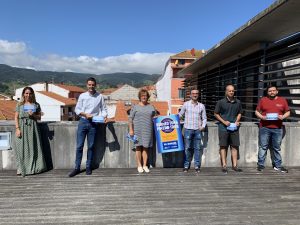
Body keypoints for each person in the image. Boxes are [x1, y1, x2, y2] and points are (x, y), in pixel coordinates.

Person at [69, 77, 107, 177]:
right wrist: (85, 114)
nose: (91, 86)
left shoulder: (100, 96)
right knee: (79, 146)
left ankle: (88, 167)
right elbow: (77, 110)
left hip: (94, 123)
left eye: (93, 84)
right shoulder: (82, 96)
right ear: (87, 85)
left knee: (91, 146)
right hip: (83, 121)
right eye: (89, 84)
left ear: (95, 85)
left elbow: (104, 109)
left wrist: (102, 117)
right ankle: (77, 168)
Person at [255, 85, 290, 173]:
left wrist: (283, 117)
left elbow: (288, 112)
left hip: (277, 128)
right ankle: (260, 165)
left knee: (276, 148)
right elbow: (256, 111)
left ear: (277, 91)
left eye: (273, 90)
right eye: (270, 91)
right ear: (267, 92)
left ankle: (278, 166)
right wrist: (262, 117)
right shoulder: (263, 100)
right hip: (264, 127)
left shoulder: (282, 100)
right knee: (263, 147)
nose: (272, 92)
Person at [14, 87, 47, 177]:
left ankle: (34, 168)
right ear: (23, 94)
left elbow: (39, 117)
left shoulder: (36, 105)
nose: (28, 95)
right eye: (26, 93)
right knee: (21, 149)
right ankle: (21, 168)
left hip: (33, 128)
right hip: (22, 127)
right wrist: (17, 128)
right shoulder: (19, 104)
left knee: (33, 148)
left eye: (30, 93)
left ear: (32, 94)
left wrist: (33, 115)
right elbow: (16, 117)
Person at [214, 84, 243, 174]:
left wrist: (237, 121)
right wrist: (224, 122)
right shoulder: (220, 102)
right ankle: (224, 166)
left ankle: (234, 165)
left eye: (232, 91)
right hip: (223, 128)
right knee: (223, 147)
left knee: (234, 146)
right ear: (226, 92)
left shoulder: (238, 102)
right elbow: (216, 114)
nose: (231, 92)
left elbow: (240, 113)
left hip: (234, 128)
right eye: (229, 91)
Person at [178, 89, 207, 173]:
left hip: (198, 130)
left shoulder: (202, 106)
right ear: (190, 95)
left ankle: (197, 166)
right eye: (193, 93)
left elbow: (204, 118)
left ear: (198, 95)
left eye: (196, 93)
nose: (195, 95)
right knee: (187, 148)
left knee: (197, 148)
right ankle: (186, 165)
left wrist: (203, 126)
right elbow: (180, 115)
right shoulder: (186, 104)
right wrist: (171, 120)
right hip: (187, 129)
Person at [128, 89, 157, 173]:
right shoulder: (135, 107)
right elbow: (130, 119)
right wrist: (131, 130)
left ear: (148, 97)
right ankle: (139, 165)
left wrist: (155, 118)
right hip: (137, 130)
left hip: (148, 129)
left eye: (145, 95)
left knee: (145, 148)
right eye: (142, 95)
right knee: (138, 147)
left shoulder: (151, 107)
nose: (144, 97)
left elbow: (155, 116)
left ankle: (145, 165)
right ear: (140, 97)